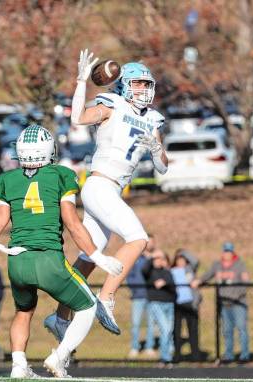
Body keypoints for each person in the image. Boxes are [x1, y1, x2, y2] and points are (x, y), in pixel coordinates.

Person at [0, 124, 123, 378]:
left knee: (23, 311)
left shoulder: (6, 179)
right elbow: (72, 224)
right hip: (47, 257)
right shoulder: (61, 175)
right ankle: (59, 358)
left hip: (17, 261)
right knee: (88, 306)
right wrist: (97, 256)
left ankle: (18, 365)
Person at [45, 49, 168, 337]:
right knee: (138, 239)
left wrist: (156, 149)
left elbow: (162, 168)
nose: (144, 89)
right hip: (99, 185)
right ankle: (107, 296)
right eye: (138, 83)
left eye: (147, 84)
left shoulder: (153, 119)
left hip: (112, 191)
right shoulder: (112, 104)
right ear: (124, 85)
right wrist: (80, 82)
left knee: (89, 258)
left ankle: (60, 317)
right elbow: (77, 118)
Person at [192, 242, 250, 363]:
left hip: (238, 303)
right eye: (225, 251)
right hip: (224, 304)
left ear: (232, 252)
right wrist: (198, 281)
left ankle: (244, 355)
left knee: (241, 329)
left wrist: (235, 296)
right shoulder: (217, 265)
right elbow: (207, 275)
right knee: (226, 330)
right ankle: (229, 355)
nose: (226, 254)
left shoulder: (240, 265)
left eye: (228, 251)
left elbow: (245, 283)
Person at [126, 234, 157, 359]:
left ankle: (149, 347)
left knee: (151, 323)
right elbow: (129, 275)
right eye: (149, 242)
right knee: (136, 323)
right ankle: (135, 347)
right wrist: (135, 289)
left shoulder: (156, 258)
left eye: (153, 242)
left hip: (152, 296)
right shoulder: (136, 257)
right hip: (138, 296)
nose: (151, 244)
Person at [143, 250, 176, 365]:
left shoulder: (167, 272)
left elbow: (173, 286)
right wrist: (151, 256)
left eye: (160, 259)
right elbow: (144, 269)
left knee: (168, 331)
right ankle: (165, 357)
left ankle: (167, 357)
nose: (159, 261)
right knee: (165, 329)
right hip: (156, 303)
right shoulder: (150, 272)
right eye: (156, 259)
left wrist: (165, 282)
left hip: (169, 304)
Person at [171, 250, 200, 362]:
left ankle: (195, 356)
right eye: (179, 259)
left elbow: (196, 261)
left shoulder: (190, 269)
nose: (181, 261)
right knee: (177, 331)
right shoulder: (172, 271)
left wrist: (183, 252)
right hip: (177, 304)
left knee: (193, 331)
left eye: (183, 259)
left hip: (191, 304)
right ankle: (177, 356)